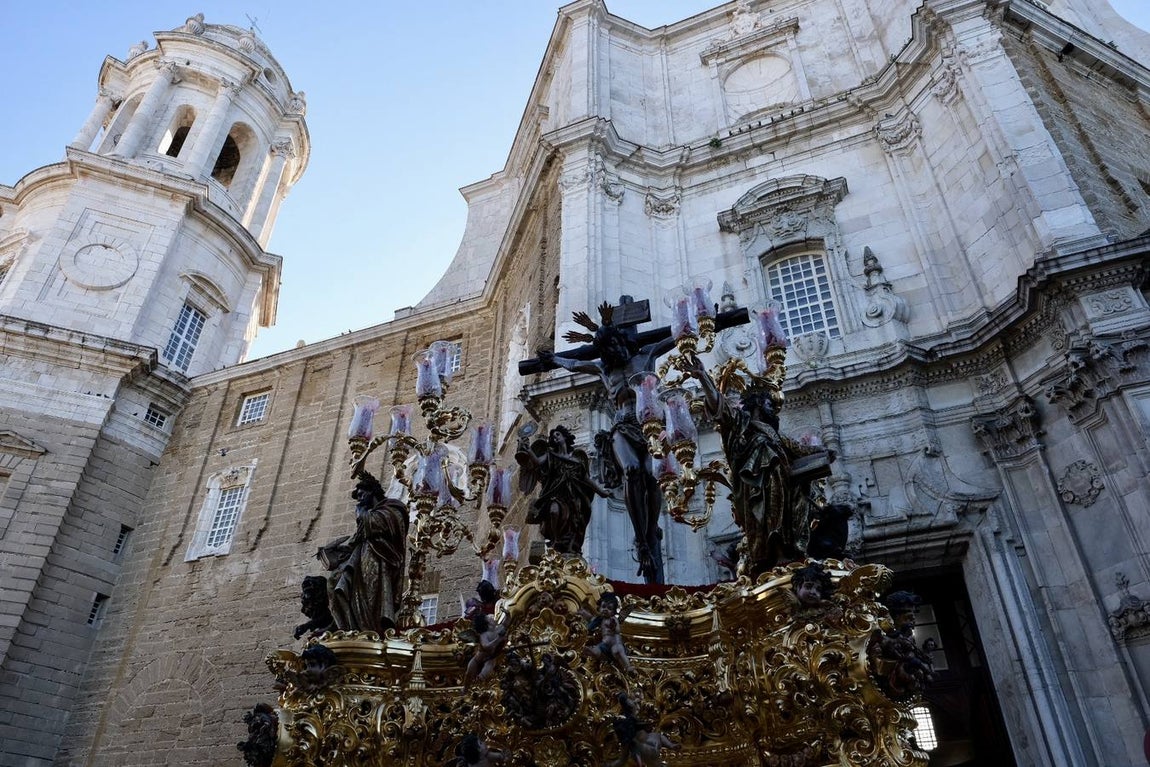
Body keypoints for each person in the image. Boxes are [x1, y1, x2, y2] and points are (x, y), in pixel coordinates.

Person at [540, 302, 675, 583]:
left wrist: (695, 320)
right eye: (607, 350)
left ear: (623, 342)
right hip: (622, 428)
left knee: (653, 476)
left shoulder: (645, 356)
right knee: (633, 471)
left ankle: (650, 533)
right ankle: (641, 539)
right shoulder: (605, 370)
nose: (612, 353)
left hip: (650, 428)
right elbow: (576, 363)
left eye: (615, 347)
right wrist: (554, 359)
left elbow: (675, 337)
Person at [318, 471, 408, 634]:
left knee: (370, 592)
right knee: (334, 581)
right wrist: (335, 552)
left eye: (361, 494)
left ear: (372, 491)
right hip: (360, 556)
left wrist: (361, 513)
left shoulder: (392, 508)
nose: (359, 499)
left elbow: (384, 525)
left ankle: (368, 628)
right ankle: (346, 626)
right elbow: (356, 539)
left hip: (379, 558)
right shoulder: (369, 513)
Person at [516, 425, 610, 555]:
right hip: (555, 493)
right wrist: (528, 450)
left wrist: (601, 492)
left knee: (575, 522)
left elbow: (586, 479)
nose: (555, 438)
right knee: (554, 511)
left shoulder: (577, 460)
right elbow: (537, 462)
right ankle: (556, 541)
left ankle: (570, 546)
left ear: (565, 437)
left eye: (558, 435)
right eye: (553, 437)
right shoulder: (551, 455)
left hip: (573, 496)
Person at [587, 592, 634, 673]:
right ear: (599, 608)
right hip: (604, 644)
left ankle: (628, 667)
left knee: (618, 651)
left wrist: (613, 627)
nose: (605, 610)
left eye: (609, 608)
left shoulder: (613, 619)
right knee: (595, 651)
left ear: (613, 612)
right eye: (603, 607)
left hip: (615, 644)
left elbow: (617, 630)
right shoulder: (600, 619)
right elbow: (590, 626)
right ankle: (604, 662)